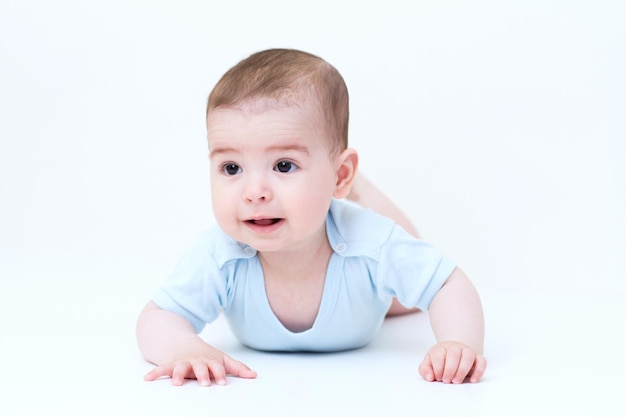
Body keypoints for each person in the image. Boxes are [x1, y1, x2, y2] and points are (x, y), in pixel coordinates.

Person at [136, 48, 486, 387]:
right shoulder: (220, 253)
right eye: (232, 168)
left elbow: (446, 284)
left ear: (339, 173)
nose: (254, 191)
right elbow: (157, 317)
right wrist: (185, 347)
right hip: (357, 269)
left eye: (284, 166)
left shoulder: (370, 243)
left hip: (368, 290)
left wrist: (458, 343)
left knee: (403, 298)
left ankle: (356, 189)